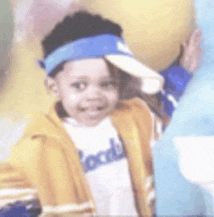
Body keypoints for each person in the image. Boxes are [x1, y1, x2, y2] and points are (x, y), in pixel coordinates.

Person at [0, 11, 201, 217]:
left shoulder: (133, 119)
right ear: (54, 87)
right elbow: (7, 201)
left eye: (106, 84)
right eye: (79, 85)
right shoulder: (37, 148)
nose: (94, 96)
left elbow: (163, 105)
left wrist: (181, 72)